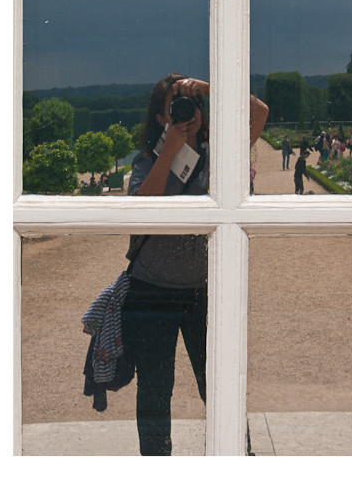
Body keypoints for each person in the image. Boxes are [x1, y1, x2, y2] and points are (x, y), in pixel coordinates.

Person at [119, 73, 267, 455]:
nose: (188, 111)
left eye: (193, 105)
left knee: (220, 384)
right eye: (176, 106)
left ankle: (236, 457)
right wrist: (170, 149)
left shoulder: (219, 157)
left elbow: (259, 112)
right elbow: (139, 214)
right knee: (155, 389)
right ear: (160, 118)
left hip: (205, 290)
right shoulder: (146, 162)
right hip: (151, 290)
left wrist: (207, 86)